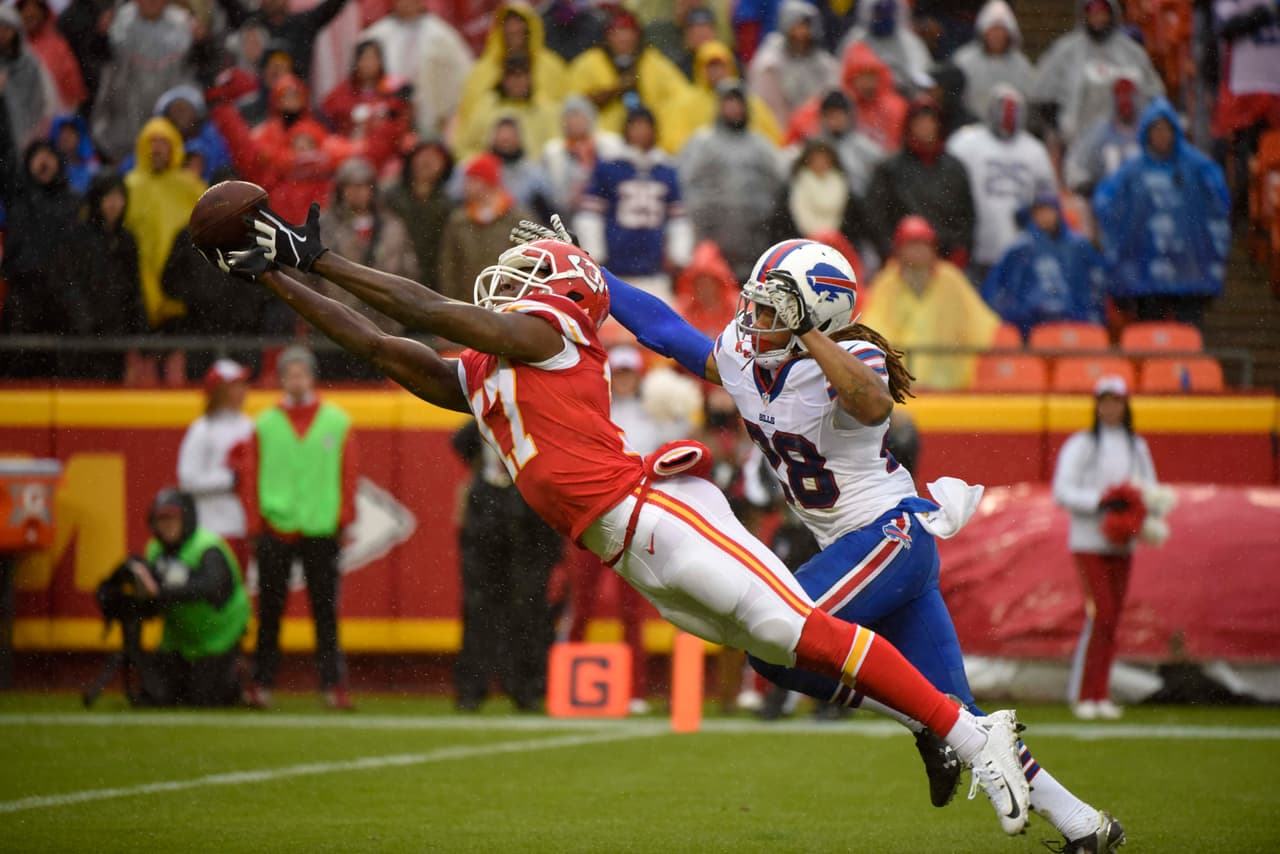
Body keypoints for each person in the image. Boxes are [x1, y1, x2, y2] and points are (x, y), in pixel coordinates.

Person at [208, 203, 1031, 831]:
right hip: (625, 544)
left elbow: (425, 311)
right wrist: (274, 278)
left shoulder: (548, 341)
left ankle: (963, 730)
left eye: (531, 277)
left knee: (797, 630)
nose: (512, 285)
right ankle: (955, 730)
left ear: (563, 299)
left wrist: (318, 256)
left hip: (660, 512)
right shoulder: (491, 369)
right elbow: (386, 348)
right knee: (778, 652)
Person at [603, 233, 1126, 853]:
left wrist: (807, 334)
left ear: (815, 316)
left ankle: (931, 726)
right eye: (758, 305)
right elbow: (665, 330)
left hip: (888, 535)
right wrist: (593, 276)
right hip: (870, 548)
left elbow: (873, 404)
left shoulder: (851, 357)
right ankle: (1085, 825)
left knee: (774, 643)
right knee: (965, 720)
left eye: (773, 310)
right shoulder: (746, 357)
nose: (754, 321)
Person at [236, 346, 358, 711]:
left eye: (301, 374)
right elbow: (250, 475)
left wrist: (344, 518)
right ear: (281, 380)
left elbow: (349, 473)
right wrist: (255, 522)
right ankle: (261, 682)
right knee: (269, 610)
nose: (296, 381)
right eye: (290, 374)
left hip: (321, 525)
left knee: (325, 611)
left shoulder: (337, 422)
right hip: (277, 524)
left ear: (312, 377)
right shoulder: (264, 424)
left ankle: (333, 684)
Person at [1052, 376, 1158, 722]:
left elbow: (1149, 488)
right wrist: (1100, 501)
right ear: (1097, 405)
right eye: (1105, 401)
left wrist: (1132, 507)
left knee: (1112, 618)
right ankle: (1085, 693)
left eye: (1117, 401)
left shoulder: (1136, 446)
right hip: (1088, 542)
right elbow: (1062, 490)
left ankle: (1100, 693)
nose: (1111, 408)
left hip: (1122, 543)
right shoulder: (1082, 445)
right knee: (1102, 613)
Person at [452, 419, 563, 712]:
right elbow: (461, 441)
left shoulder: (537, 420)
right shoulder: (485, 419)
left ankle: (525, 687)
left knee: (528, 604)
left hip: (529, 509)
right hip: (491, 509)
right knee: (479, 604)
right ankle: (473, 688)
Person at [1091, 98, 1231, 328]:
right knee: (1150, 334)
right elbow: (1106, 200)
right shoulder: (1132, 170)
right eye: (1155, 129)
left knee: (1189, 333)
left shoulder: (1196, 166)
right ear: (1146, 132)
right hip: (1145, 270)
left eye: (1166, 129)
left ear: (1175, 131)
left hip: (1189, 269)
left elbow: (1218, 198)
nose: (1161, 135)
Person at [120, 488, 251, 706]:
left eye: (172, 518)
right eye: (161, 519)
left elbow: (212, 587)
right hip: (179, 640)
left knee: (204, 699)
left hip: (218, 637)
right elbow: (151, 600)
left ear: (187, 518)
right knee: (159, 697)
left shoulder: (207, 547)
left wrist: (161, 592)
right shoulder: (154, 550)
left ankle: (237, 672)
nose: (167, 525)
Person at [860, 216, 1000, 391]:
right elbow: (873, 330)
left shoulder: (951, 280)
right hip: (900, 387)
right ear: (899, 249)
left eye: (924, 244)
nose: (918, 251)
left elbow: (982, 327)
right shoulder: (887, 282)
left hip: (949, 385)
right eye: (912, 244)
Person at [575, 104, 692, 301]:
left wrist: (679, 254)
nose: (640, 132)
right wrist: (594, 253)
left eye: (645, 126)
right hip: (615, 266)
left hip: (654, 268)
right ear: (626, 129)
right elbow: (590, 215)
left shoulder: (665, 169)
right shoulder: (610, 167)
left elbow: (678, 219)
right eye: (635, 126)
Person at [945, 85, 1056, 280]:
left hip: (1021, 246)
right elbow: (949, 187)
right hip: (976, 242)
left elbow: (1047, 198)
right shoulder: (965, 142)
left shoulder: (1034, 151)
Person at [680, 81, 785, 281]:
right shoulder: (702, 144)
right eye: (729, 102)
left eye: (738, 103)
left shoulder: (762, 147)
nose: (734, 108)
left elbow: (777, 187)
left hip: (754, 244)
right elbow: (687, 187)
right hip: (712, 243)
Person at [1031, 0, 1164, 145]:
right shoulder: (1065, 51)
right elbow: (1042, 95)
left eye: (1102, 13)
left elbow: (1154, 94)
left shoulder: (1132, 52)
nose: (1098, 19)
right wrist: (1059, 130)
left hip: (1129, 142)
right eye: (1093, 14)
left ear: (1112, 15)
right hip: (1077, 142)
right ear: (1084, 16)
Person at [864, 96, 976, 267]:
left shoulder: (954, 168)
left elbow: (966, 215)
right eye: (919, 121)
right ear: (909, 126)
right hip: (901, 261)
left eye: (930, 121)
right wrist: (889, 251)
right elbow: (876, 216)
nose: (925, 126)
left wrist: (960, 249)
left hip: (946, 260)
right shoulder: (890, 168)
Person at [982, 194, 1109, 338]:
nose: (1045, 216)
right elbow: (1000, 287)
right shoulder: (1021, 248)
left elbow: (1097, 280)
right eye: (1040, 212)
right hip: (1030, 325)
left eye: (1049, 211)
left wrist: (1091, 314)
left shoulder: (1078, 245)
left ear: (1058, 212)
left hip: (1077, 321)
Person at [567, 6, 689, 151]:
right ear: (607, 36)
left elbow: (680, 96)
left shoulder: (653, 61)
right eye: (617, 32)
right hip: (602, 143)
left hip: (649, 142)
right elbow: (574, 103)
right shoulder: (588, 63)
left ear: (638, 35)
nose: (624, 38)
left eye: (629, 32)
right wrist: (615, 90)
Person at [177, 360, 255, 570]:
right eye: (235, 385)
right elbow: (187, 480)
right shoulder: (202, 429)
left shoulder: (249, 426)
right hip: (212, 527)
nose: (242, 391)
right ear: (220, 391)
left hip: (243, 526)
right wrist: (230, 478)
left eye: (243, 384)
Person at [358, 0, 472, 140]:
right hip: (387, 112)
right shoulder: (378, 34)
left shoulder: (441, 35)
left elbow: (461, 76)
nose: (407, 3)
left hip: (429, 112)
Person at [437, 152, 531, 303]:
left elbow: (528, 263)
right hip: (466, 304)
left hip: (507, 305)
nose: (465, 186)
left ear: (487, 182)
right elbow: (448, 267)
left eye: (472, 180)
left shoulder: (517, 219)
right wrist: (452, 302)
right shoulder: (458, 221)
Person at [747, 0, 837, 130]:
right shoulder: (769, 65)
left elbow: (831, 95)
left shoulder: (823, 64)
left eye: (806, 26)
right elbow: (765, 106)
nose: (801, 33)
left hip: (814, 130)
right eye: (796, 27)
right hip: (779, 128)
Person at [382, 140, 455, 287]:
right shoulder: (389, 197)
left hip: (433, 280)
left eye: (434, 158)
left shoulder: (448, 205)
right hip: (393, 274)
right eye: (423, 156)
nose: (427, 163)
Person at [1063, 74, 1145, 197]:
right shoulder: (1099, 132)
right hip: (1107, 200)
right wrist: (1086, 185)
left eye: (1129, 95)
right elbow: (1075, 163)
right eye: (1120, 95)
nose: (1125, 100)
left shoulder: (1149, 131)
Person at [951, 0, 1035, 119]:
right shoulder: (963, 60)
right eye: (993, 29)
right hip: (972, 124)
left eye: (1001, 30)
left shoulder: (1022, 65)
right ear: (984, 32)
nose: (997, 35)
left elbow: (1030, 100)